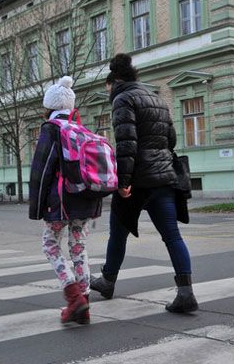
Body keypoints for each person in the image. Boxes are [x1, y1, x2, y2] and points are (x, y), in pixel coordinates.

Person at [90, 54, 198, 313]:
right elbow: (170, 139)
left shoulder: (122, 98)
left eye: (108, 88)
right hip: (164, 177)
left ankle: (108, 281)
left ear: (115, 81)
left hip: (138, 180)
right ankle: (186, 293)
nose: (108, 93)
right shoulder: (157, 98)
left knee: (118, 232)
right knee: (172, 236)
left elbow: (127, 143)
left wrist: (123, 181)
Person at [28, 76, 102, 324]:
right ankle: (85, 306)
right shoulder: (81, 128)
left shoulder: (51, 129)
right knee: (79, 249)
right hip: (85, 198)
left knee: (50, 244)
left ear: (49, 107)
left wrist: (37, 208)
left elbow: (41, 169)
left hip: (60, 201)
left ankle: (73, 297)